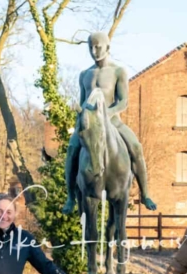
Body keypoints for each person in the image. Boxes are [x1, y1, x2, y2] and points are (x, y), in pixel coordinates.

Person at [61, 31, 157, 215]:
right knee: (72, 149)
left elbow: (123, 101)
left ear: (107, 47)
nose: (94, 51)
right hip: (89, 123)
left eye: (98, 46)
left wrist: (107, 113)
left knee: (136, 147)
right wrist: (81, 119)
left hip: (113, 121)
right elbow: (83, 102)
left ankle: (145, 193)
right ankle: (71, 197)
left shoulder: (118, 71)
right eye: (91, 47)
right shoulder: (84, 74)